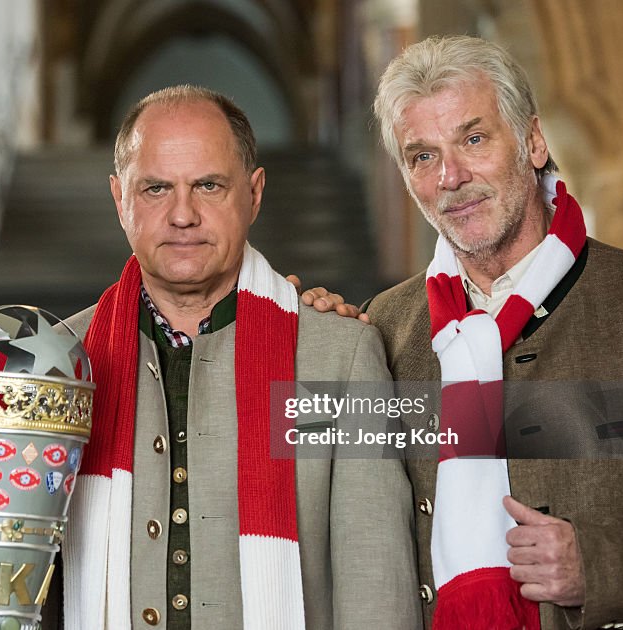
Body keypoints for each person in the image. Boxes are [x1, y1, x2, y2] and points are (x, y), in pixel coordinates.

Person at [61, 85, 420, 629]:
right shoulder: (64, 361)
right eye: (156, 188)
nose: (183, 214)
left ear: (253, 193)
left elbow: (377, 589)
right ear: (120, 199)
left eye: (208, 185)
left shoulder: (340, 358)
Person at [364, 36, 623, 629]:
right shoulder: (378, 331)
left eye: (473, 139)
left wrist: (609, 566)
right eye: (422, 156)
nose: (451, 177)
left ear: (533, 142)